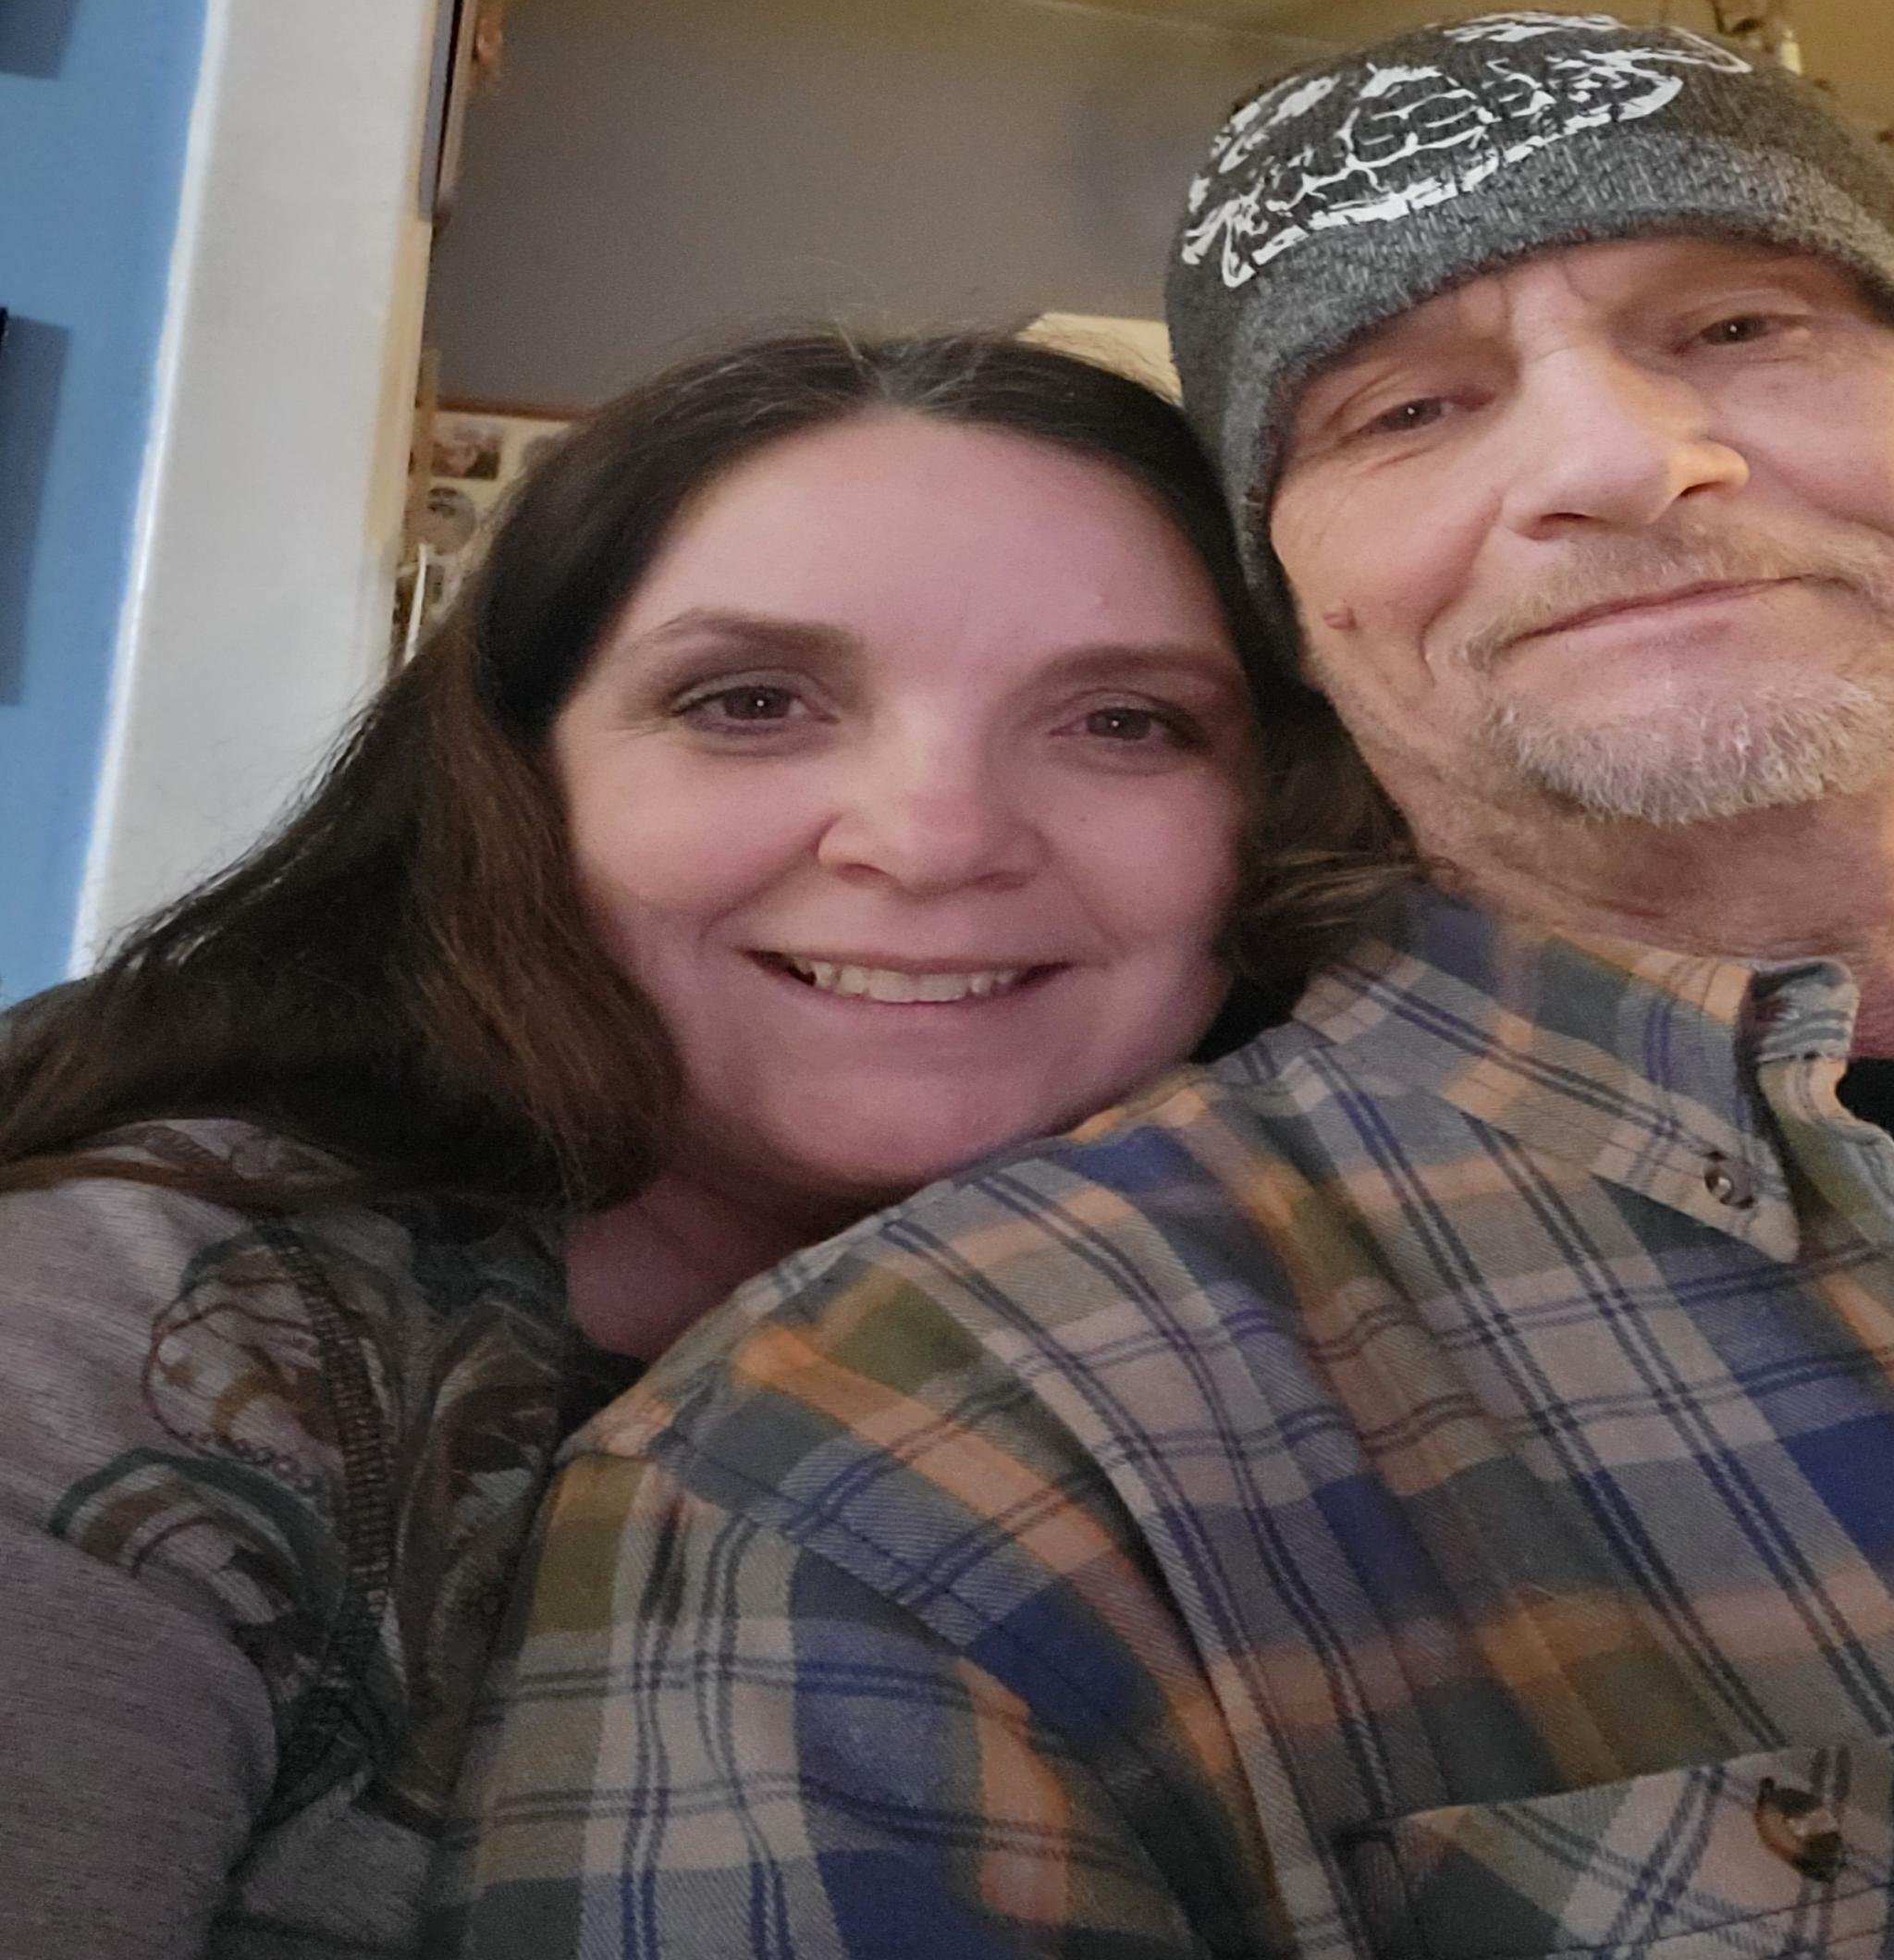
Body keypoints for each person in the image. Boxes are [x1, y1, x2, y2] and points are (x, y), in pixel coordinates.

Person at [446, 18, 1894, 1959]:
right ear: (1298, 631)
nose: (1620, 460)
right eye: (1406, 408)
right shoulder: (880, 1463)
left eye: (1739, 323)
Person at [0, 327, 1307, 1960]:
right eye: (749, 703)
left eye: (1124, 721)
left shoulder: (1343, 1356)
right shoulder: (142, 1323)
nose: (932, 840)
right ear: (516, 782)